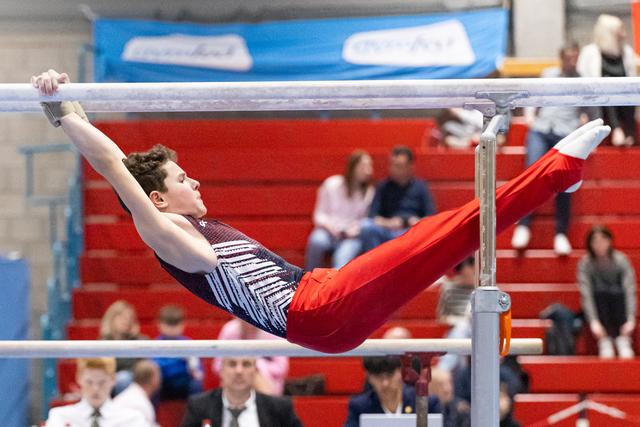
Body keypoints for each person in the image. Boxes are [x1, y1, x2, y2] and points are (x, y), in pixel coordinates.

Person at [33, 69, 610, 354]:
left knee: (443, 234)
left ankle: (555, 176)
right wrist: (61, 108)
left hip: (319, 292)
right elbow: (113, 165)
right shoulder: (164, 234)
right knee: (447, 235)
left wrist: (71, 108)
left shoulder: (183, 225)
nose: (197, 180)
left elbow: (120, 164)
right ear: (156, 199)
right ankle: (559, 171)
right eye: (183, 178)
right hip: (317, 311)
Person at [511, 41, 594, 256]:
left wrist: (584, 124)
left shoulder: (584, 80)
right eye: (569, 57)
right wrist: (529, 116)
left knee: (565, 180)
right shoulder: (548, 74)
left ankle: (560, 233)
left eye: (575, 57)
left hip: (566, 132)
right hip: (541, 129)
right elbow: (533, 98)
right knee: (532, 173)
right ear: (561, 57)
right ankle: (523, 225)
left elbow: (591, 111)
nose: (572, 61)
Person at [180, 357, 303, 427]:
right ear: (221, 370)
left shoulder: (279, 408)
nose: (239, 371)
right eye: (232, 364)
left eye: (246, 364)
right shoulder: (199, 406)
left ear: (255, 371)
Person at [304, 150, 374, 270]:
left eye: (369, 166)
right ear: (352, 167)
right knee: (317, 241)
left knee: (342, 258)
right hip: (328, 231)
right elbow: (319, 214)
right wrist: (332, 228)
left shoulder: (369, 192)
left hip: (351, 236)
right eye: (363, 166)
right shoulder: (332, 184)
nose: (368, 171)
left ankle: (334, 288)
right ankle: (307, 278)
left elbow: (366, 219)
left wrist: (353, 230)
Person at [360, 145, 435, 252]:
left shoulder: (421, 187)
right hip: (388, 231)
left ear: (410, 167)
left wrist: (417, 223)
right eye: (392, 165)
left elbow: (431, 217)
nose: (394, 169)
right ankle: (377, 266)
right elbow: (372, 216)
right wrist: (389, 223)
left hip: (412, 233)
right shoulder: (383, 186)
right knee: (366, 227)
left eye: (399, 166)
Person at [578, 225, 637, 359]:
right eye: (595, 241)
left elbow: (629, 290)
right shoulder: (586, 264)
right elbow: (586, 293)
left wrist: (631, 318)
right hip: (600, 308)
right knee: (600, 291)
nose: (600, 245)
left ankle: (623, 339)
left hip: (619, 308)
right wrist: (593, 321)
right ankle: (605, 340)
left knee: (616, 292)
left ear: (610, 241)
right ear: (590, 244)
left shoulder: (621, 260)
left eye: (603, 240)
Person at [577, 14, 637, 147]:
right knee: (607, 85)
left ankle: (628, 133)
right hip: (598, 104)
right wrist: (582, 111)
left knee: (622, 91)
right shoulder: (589, 53)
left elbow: (632, 82)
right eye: (620, 30)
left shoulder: (627, 52)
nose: (624, 34)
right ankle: (617, 130)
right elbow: (581, 84)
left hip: (624, 104)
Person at [46, 358, 147, 426]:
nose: (95, 388)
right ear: (79, 378)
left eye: (102, 382)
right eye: (89, 382)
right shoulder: (60, 416)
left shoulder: (132, 419)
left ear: (113, 380)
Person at [344, 356, 439, 427]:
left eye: (389, 375)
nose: (385, 383)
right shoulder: (359, 406)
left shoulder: (427, 402)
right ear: (369, 377)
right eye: (378, 377)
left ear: (400, 372)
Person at [213, 318, 289, 395]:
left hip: (267, 380)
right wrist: (236, 366)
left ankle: (267, 405)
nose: (248, 321)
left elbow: (281, 367)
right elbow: (217, 366)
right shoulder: (229, 329)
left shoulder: (272, 329)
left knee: (253, 375)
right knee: (233, 373)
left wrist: (257, 365)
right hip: (233, 377)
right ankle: (229, 406)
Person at [153, 305, 203, 400]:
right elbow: (154, 367)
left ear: (182, 324)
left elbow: (198, 372)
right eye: (168, 324)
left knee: (196, 385)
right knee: (152, 384)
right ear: (160, 324)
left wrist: (194, 370)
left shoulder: (189, 343)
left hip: (183, 382)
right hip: (163, 382)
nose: (172, 329)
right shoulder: (155, 344)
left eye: (175, 324)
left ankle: (195, 414)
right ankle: (150, 414)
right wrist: (180, 361)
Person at [99, 300, 148, 394]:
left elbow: (142, 367)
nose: (126, 321)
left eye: (129, 318)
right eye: (121, 317)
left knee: (124, 378)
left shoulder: (139, 340)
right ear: (111, 319)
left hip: (133, 379)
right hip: (108, 380)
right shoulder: (103, 342)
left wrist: (135, 338)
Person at [113, 359, 162, 426]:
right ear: (153, 379)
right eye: (158, 375)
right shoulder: (139, 403)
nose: (161, 379)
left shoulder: (135, 395)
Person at [437, 257, 475, 327]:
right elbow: (441, 318)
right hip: (457, 328)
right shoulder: (448, 289)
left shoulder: (481, 290)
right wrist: (455, 321)